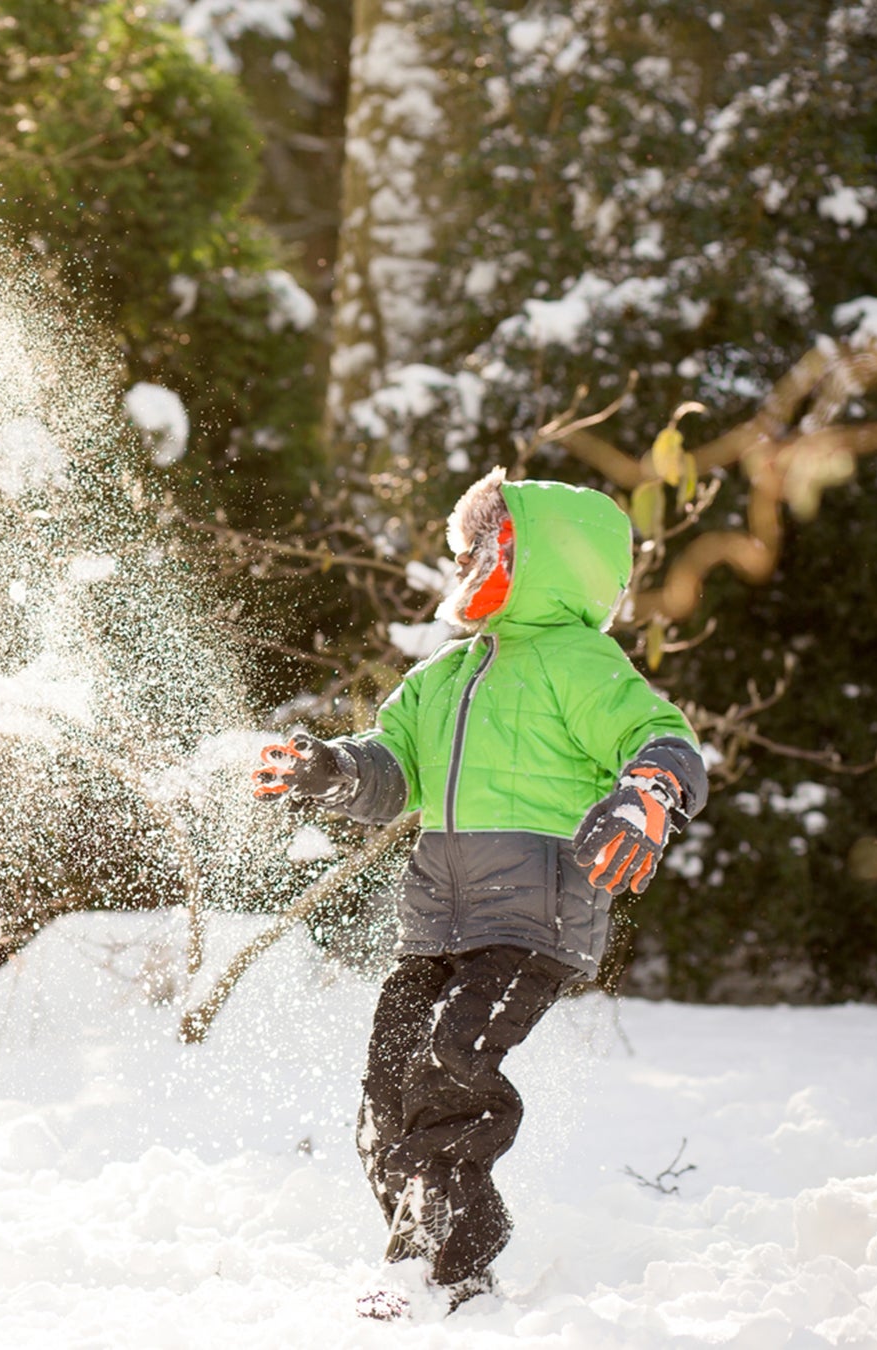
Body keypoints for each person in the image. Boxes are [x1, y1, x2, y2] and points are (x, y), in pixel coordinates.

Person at [251, 468, 708, 1318]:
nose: (460, 565)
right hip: (437, 923)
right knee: (388, 1083)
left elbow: (663, 738)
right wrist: (335, 769)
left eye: (477, 549)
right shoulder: (444, 675)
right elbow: (394, 769)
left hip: (531, 920)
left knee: (452, 1065)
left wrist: (646, 796)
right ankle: (411, 1245)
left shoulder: (578, 664)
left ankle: (444, 1267)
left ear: (529, 558)